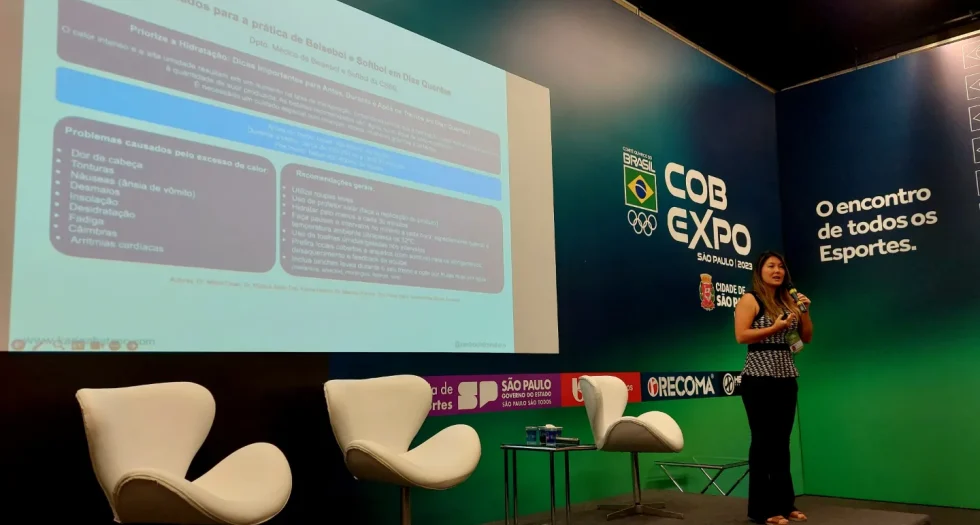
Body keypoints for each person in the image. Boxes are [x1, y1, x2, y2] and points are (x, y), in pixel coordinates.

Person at [733, 251, 813, 525]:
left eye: (781, 266)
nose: (777, 271)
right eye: (771, 266)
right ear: (760, 271)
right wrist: (774, 328)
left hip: (786, 376)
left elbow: (806, 338)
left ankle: (785, 504)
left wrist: (805, 311)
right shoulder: (750, 299)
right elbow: (741, 336)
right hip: (759, 377)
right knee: (763, 442)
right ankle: (762, 509)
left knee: (781, 443)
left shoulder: (789, 300)